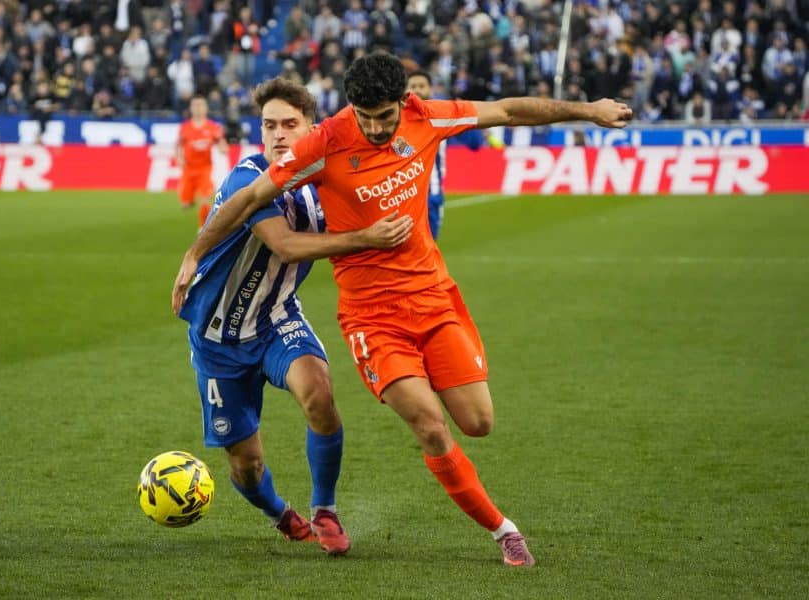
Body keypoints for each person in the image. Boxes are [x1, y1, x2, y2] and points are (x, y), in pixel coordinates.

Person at [173, 52, 633, 567]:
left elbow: (506, 111)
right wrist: (194, 251)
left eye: (383, 117)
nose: (373, 128)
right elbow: (250, 200)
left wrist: (589, 110)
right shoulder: (322, 146)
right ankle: (502, 530)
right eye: (363, 117)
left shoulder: (427, 117)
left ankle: (331, 496)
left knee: (478, 422)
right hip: (368, 318)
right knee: (427, 425)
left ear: (404, 103)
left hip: (431, 299)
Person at [177, 77, 413, 556]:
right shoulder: (249, 179)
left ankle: (324, 509)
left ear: (312, 128)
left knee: (319, 394)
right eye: (269, 125)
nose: (279, 134)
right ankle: (280, 513)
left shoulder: (325, 180)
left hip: (276, 321)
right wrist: (368, 237)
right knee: (246, 465)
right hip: (218, 340)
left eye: (290, 124)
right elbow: (284, 244)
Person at [404, 70, 484, 240]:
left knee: (427, 250)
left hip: (431, 196)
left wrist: (465, 113)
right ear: (406, 91)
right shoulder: (397, 117)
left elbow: (475, 144)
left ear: (431, 89)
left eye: (422, 86)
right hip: (402, 197)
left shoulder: (443, 115)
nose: (417, 90)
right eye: (413, 86)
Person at [176, 95, 228, 224]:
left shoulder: (213, 127)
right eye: (195, 105)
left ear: (206, 108)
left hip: (205, 168)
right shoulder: (185, 127)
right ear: (191, 108)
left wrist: (223, 148)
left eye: (201, 105)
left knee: (205, 198)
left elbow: (221, 143)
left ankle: (203, 228)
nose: (198, 108)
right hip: (188, 169)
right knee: (186, 204)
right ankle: (189, 199)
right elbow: (178, 145)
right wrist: (178, 158)